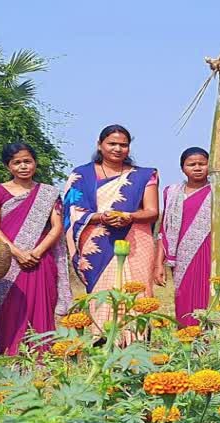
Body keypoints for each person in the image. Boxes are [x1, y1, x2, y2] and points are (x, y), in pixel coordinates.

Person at [61, 125, 161, 328]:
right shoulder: (80, 175)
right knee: (101, 295)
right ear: (100, 145)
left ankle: (135, 345)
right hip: (96, 244)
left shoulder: (144, 175)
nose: (117, 148)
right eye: (112, 143)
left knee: (137, 294)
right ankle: (102, 344)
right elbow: (71, 211)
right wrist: (101, 217)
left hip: (135, 241)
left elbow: (152, 211)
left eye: (123, 145)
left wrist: (129, 216)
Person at [0, 142, 70, 355]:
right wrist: (17, 252)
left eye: (27, 161)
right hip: (9, 260)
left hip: (40, 259)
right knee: (10, 308)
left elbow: (57, 226)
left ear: (35, 163)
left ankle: (43, 356)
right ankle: (10, 354)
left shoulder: (49, 193)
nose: (23, 166)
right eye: (17, 162)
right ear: (8, 166)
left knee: (43, 305)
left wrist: (36, 252)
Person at [159, 147, 220, 326]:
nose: (197, 168)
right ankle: (189, 347)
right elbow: (164, 230)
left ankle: (218, 349)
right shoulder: (172, 193)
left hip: (214, 257)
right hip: (182, 260)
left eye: (202, 164)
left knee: (216, 303)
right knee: (185, 305)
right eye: (192, 164)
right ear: (182, 168)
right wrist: (157, 264)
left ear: (210, 166)